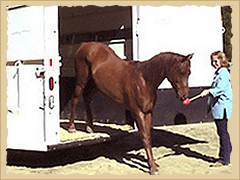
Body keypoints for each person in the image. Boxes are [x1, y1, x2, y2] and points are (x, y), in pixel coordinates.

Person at [200, 51, 233, 167]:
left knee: (223, 132)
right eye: (212, 61)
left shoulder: (223, 73)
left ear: (222, 60)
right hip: (219, 108)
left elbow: (220, 89)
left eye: (216, 61)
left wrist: (209, 91)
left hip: (222, 108)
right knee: (222, 132)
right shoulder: (219, 73)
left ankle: (224, 159)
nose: (214, 63)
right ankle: (227, 153)